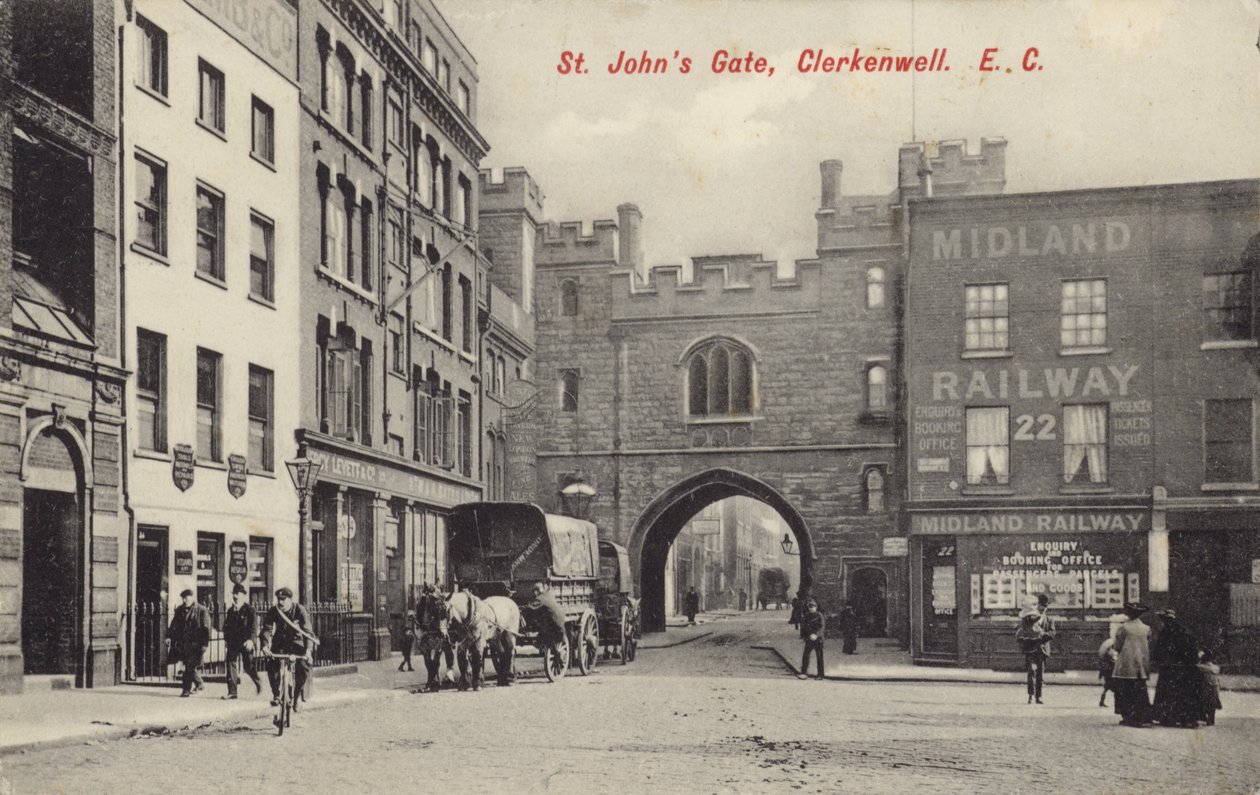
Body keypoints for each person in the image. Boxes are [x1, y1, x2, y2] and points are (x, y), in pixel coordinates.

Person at [260, 587, 314, 710]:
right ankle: (277, 695)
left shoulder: (300, 610)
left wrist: (308, 651)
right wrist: (265, 646)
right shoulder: (274, 611)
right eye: (279, 599)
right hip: (280, 644)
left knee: (303, 666)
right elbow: (266, 629)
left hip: (296, 644)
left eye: (283, 599)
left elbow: (308, 632)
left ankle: (296, 697)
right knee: (270, 662)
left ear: (290, 599)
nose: (280, 602)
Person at [1151, 608, 1204, 728]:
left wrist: (1158, 662)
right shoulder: (1185, 630)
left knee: (1168, 692)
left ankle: (1168, 717)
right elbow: (1192, 649)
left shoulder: (1165, 632)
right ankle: (1187, 718)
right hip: (1185, 667)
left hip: (1170, 667)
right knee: (1184, 693)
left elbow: (1159, 650)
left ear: (1164, 620)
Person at [1112, 601, 1152, 727]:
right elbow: (1148, 643)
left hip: (1126, 664)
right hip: (1141, 664)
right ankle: (1142, 716)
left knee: (1125, 691)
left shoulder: (1124, 628)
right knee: (1140, 691)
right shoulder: (1146, 628)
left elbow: (1117, 646)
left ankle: (1128, 716)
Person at [165, 589, 211, 697]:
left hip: (196, 643)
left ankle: (186, 690)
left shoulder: (201, 610)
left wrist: (205, 644)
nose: (184, 600)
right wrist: (168, 637)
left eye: (187, 598)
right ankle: (199, 684)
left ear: (192, 597)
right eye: (183, 598)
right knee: (189, 666)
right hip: (183, 644)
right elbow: (173, 625)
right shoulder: (180, 610)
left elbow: (206, 629)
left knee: (189, 667)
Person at [222, 583, 261, 699]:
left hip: (246, 642)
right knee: (230, 664)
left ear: (243, 596)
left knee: (248, 666)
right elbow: (226, 627)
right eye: (234, 594)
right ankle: (232, 692)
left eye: (238, 594)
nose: (236, 597)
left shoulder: (250, 610)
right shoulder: (230, 611)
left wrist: (251, 641)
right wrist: (227, 639)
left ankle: (257, 680)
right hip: (233, 643)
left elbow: (254, 627)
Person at [1016, 606, 1051, 704]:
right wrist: (1028, 640)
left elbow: (1050, 634)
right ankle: (1031, 695)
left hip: (1041, 652)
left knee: (1040, 675)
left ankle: (1038, 696)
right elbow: (1019, 637)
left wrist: (1042, 636)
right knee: (1031, 672)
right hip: (1030, 652)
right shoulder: (1026, 623)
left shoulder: (1044, 624)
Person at [526, 582, 568, 660]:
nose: (534, 594)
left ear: (536, 591)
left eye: (534, 592)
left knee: (541, 633)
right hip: (561, 621)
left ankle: (542, 644)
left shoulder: (540, 599)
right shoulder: (548, 595)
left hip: (554, 625)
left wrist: (523, 608)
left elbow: (531, 608)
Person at [797, 598, 825, 680]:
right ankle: (803, 673)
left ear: (816, 607)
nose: (811, 608)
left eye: (813, 607)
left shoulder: (819, 615)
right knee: (806, 655)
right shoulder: (806, 616)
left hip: (818, 639)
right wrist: (806, 636)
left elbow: (822, 627)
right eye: (810, 607)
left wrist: (816, 635)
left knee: (819, 656)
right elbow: (804, 627)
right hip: (809, 638)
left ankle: (820, 675)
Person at [1097, 637, 1117, 708]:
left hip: (1108, 675)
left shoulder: (1106, 658)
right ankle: (1103, 702)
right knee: (1115, 690)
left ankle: (1101, 701)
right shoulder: (1110, 657)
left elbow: (1102, 669)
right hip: (1110, 675)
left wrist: (1100, 675)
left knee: (1106, 689)